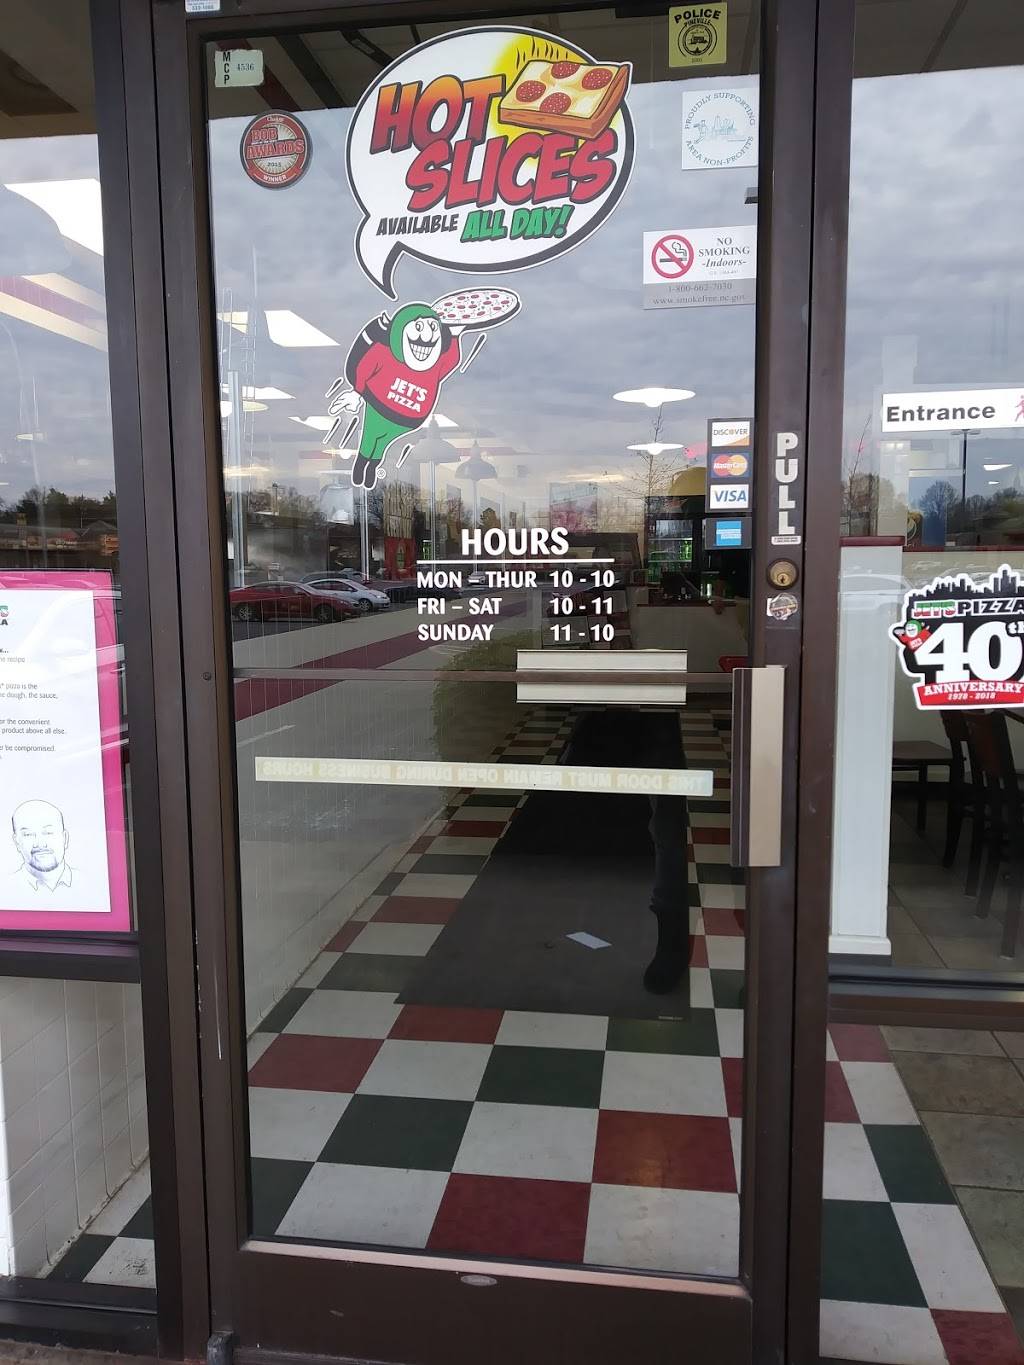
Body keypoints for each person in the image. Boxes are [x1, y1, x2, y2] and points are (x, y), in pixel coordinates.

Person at [9, 799, 73, 893]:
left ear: (65, 838)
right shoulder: (6, 886)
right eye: (28, 834)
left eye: (48, 832)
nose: (40, 844)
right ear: (17, 842)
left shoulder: (90, 883)